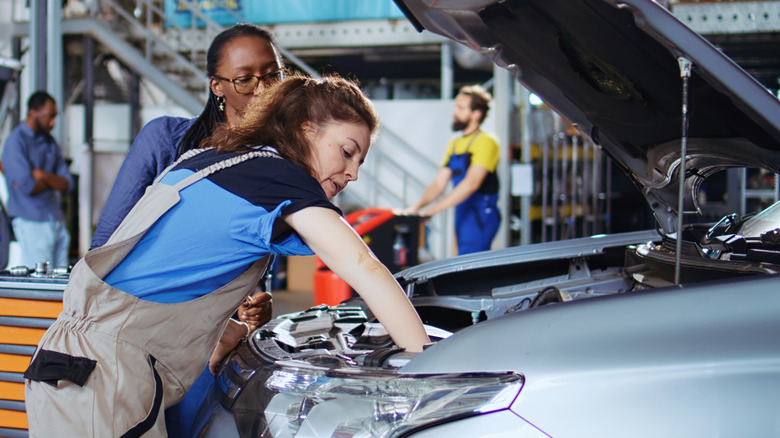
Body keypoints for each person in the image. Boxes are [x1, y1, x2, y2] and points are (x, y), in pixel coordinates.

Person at [23, 73, 431, 437]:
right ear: (306, 131)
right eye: (346, 151)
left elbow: (169, 275)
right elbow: (362, 265)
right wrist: (429, 370)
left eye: (361, 159)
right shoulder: (278, 177)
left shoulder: (212, 162)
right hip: (104, 379)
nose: (353, 172)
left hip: (72, 365)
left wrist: (227, 334)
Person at [88, 24, 284, 436]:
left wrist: (255, 310)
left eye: (273, 75)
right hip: (142, 344)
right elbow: (105, 248)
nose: (263, 89)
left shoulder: (277, 168)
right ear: (218, 87)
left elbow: (248, 268)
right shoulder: (165, 141)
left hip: (218, 353)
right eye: (245, 79)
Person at [404, 85, 500, 255]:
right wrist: (417, 207)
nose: (454, 112)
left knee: (472, 263)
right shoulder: (455, 143)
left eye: (461, 108)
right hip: (462, 210)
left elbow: (471, 183)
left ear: (476, 113)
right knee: (461, 261)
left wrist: (433, 210)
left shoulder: (486, 141)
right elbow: (439, 184)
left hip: (481, 212)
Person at [1, 91, 73, 268]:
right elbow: (26, 186)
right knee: (43, 282)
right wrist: (53, 181)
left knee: (63, 284)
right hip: (31, 223)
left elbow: (68, 184)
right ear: (33, 113)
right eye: (49, 117)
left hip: (55, 221)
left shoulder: (50, 142)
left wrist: (42, 175)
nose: (53, 123)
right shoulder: (15, 142)